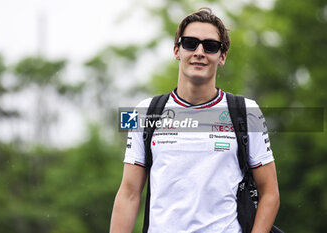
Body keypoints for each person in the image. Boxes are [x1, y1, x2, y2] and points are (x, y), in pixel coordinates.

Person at [110, 7, 280, 233]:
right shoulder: (144, 111)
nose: (199, 51)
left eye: (210, 46)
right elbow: (129, 193)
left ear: (222, 57)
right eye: (190, 43)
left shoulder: (248, 111)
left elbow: (270, 193)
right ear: (176, 50)